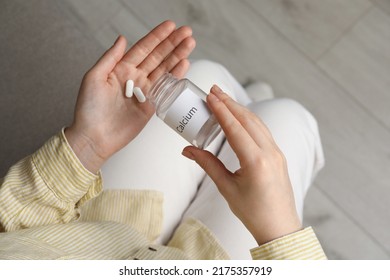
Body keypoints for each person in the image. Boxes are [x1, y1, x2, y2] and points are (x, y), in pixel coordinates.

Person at [0, 20, 326, 260]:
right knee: (288, 118)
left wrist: (87, 144)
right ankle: (259, 104)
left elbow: (11, 230)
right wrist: (280, 229)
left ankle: (252, 101)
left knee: (201, 75)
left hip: (105, 235)